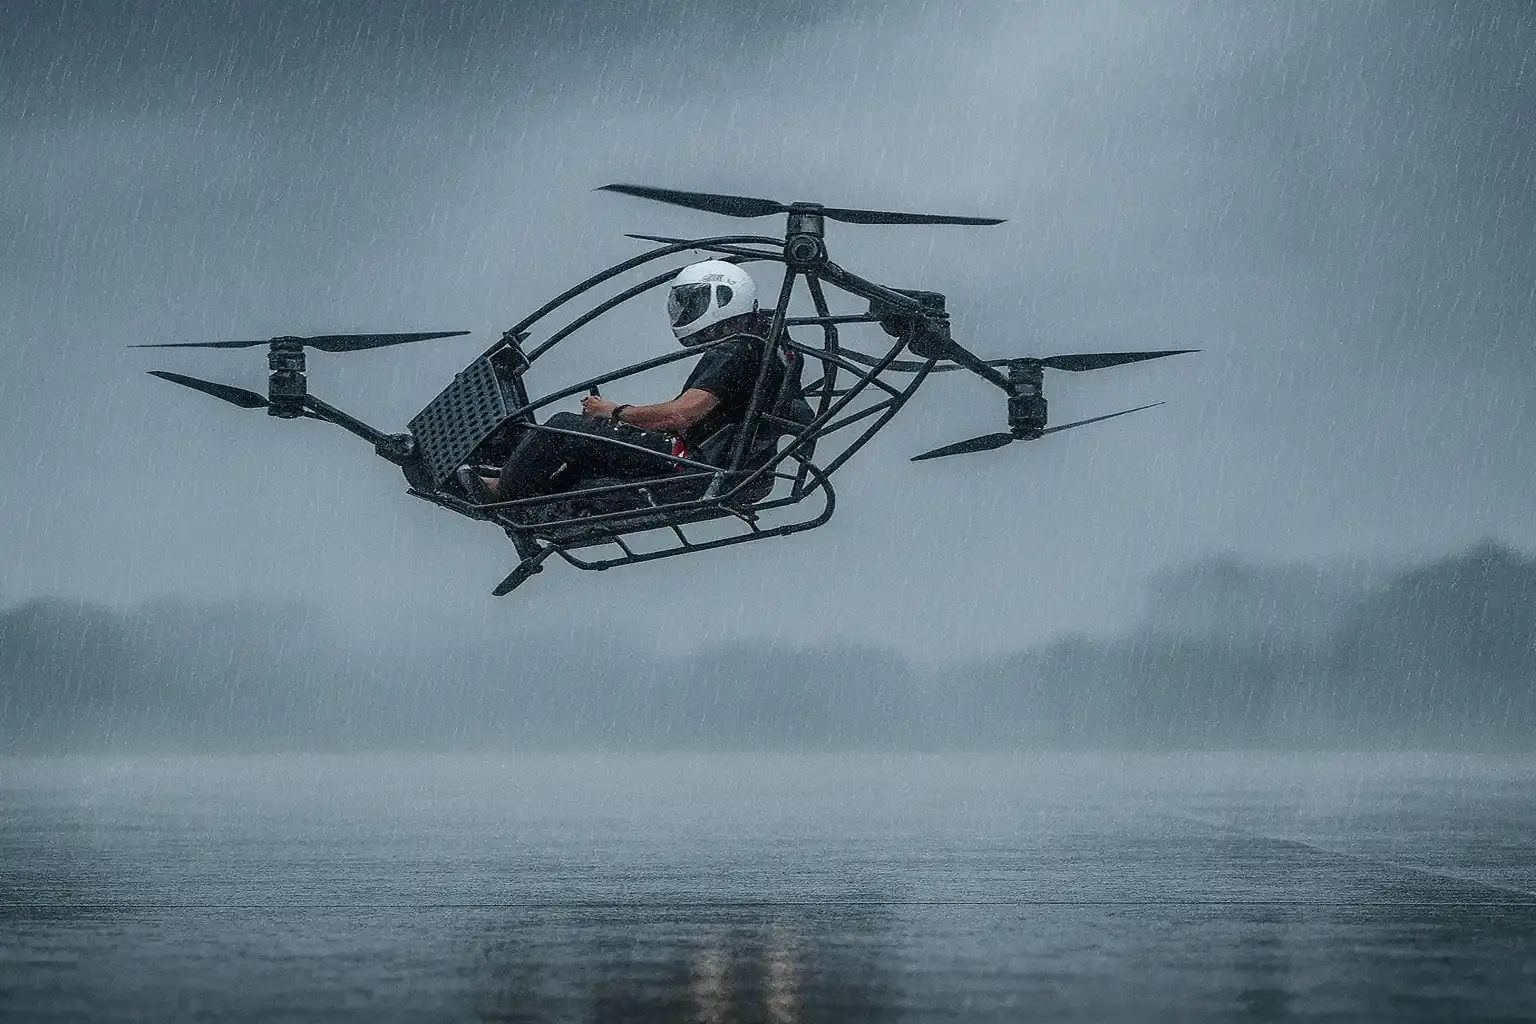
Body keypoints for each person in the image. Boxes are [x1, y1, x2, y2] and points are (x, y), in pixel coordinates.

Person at [458, 260, 798, 508]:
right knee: (588, 443)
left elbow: (679, 415)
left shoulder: (738, 350)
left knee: (562, 427)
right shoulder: (765, 345)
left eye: (691, 302)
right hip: (707, 461)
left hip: (689, 465)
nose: (684, 311)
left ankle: (505, 493)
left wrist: (615, 412)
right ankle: (527, 481)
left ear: (723, 298)